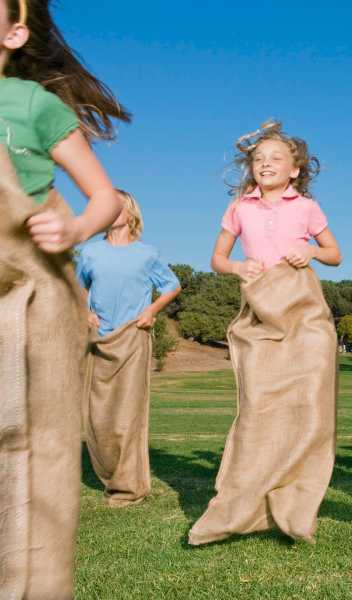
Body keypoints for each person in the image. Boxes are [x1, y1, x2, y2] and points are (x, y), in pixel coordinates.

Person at [0, 0, 128, 596]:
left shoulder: (34, 106)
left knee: (33, 440)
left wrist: (74, 229)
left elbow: (104, 197)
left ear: (14, 33)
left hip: (25, 289)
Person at [189, 120, 340, 545]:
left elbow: (335, 254)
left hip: (303, 308)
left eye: (275, 158)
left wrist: (310, 249)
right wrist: (238, 266)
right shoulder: (240, 207)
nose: (265, 164)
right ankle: (247, 501)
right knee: (258, 406)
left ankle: (296, 502)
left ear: (295, 169)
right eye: (258, 159)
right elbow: (218, 257)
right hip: (259, 308)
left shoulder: (306, 207)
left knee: (310, 402)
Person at [77, 190, 181, 507]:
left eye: (117, 206)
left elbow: (172, 286)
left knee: (128, 414)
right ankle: (109, 471)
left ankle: (128, 485)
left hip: (133, 337)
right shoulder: (89, 253)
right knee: (97, 417)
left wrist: (151, 311)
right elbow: (77, 288)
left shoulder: (146, 254)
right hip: (98, 341)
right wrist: (85, 312)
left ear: (131, 213)